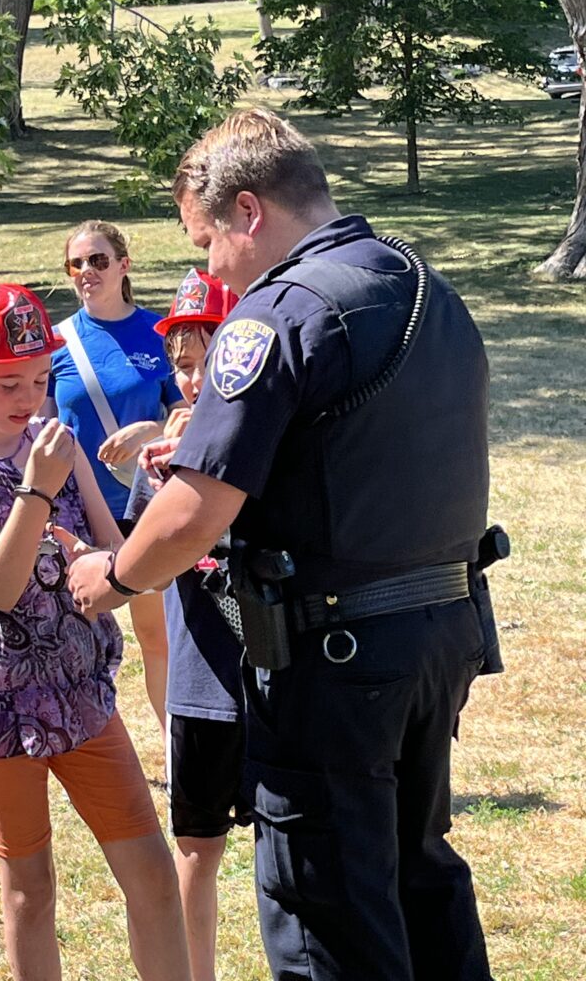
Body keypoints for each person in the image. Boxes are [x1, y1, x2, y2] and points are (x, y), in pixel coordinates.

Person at [66, 109, 503, 981]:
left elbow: (192, 513)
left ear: (249, 211)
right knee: (418, 879)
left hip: (335, 661)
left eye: (210, 241)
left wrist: (114, 574)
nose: (212, 267)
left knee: (328, 912)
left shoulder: (277, 316)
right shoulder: (427, 288)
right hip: (439, 640)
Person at [0, 283, 190, 981]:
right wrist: (36, 492)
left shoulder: (50, 442)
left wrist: (127, 527)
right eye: (8, 382)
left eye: (39, 379)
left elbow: (111, 553)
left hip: (79, 690)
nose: (28, 397)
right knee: (30, 890)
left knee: (152, 873)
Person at [126, 268, 248, 981]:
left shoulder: (278, 445)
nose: (196, 379)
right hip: (202, 690)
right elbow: (147, 569)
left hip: (279, 676)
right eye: (183, 364)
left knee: (296, 846)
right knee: (197, 848)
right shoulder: (159, 461)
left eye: (210, 360)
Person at [47, 220, 186, 736]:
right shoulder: (57, 342)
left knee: (158, 638)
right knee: (76, 638)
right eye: (77, 263)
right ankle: (82, 744)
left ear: (123, 266)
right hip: (77, 513)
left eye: (98, 260)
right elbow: (38, 426)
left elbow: (188, 416)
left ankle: (178, 752)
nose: (87, 271)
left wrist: (149, 428)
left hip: (144, 507)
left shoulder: (159, 332)